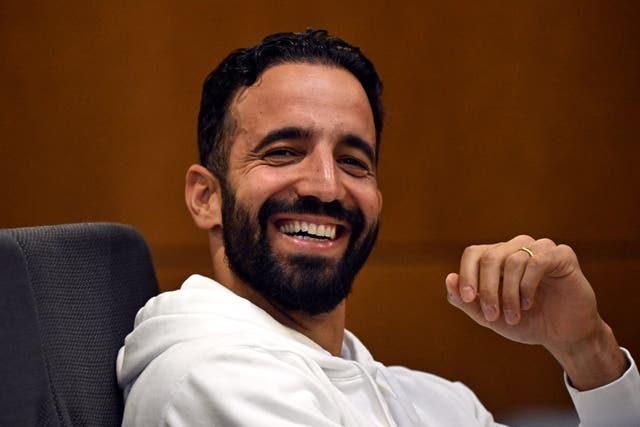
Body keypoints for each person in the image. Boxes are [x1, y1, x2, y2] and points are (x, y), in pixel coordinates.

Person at [116, 29, 639, 426]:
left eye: (354, 161)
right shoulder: (210, 381)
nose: (326, 185)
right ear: (206, 197)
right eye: (283, 152)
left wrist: (587, 351)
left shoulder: (435, 400)